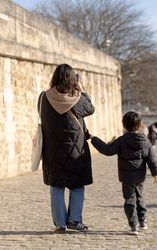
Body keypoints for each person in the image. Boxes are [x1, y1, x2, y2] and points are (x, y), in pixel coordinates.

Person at [38, 64, 95, 234]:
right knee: (77, 186)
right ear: (73, 80)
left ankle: (60, 223)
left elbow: (40, 113)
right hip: (76, 150)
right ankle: (75, 220)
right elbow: (90, 109)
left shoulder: (43, 97)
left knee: (56, 186)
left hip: (52, 150)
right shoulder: (78, 99)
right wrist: (81, 90)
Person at [90, 111, 157, 235]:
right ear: (140, 126)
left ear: (123, 126)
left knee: (129, 199)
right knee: (140, 197)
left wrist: (93, 139)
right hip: (140, 176)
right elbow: (152, 159)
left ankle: (134, 225)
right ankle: (143, 221)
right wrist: (156, 175)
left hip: (127, 176)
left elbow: (107, 150)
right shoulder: (146, 141)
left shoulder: (121, 140)